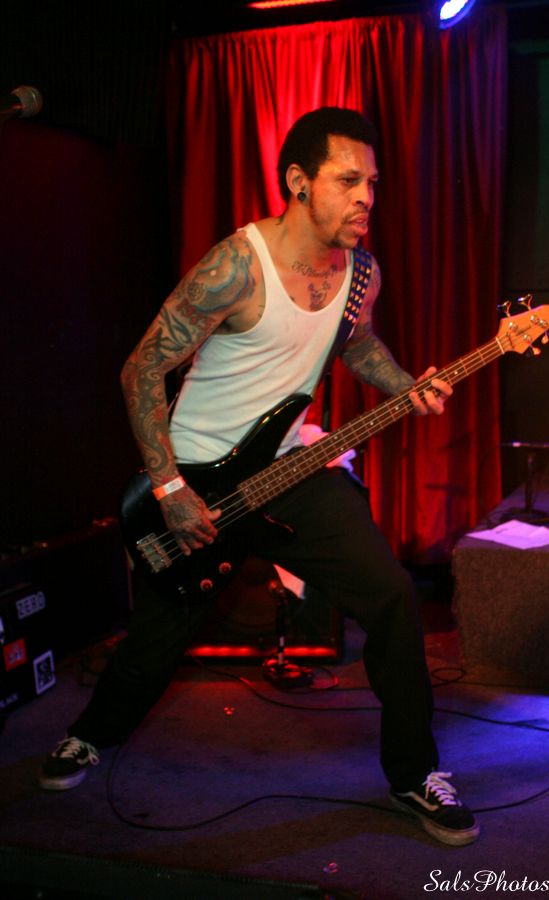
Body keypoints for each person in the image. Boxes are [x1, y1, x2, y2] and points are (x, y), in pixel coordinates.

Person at [39, 107, 479, 847]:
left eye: (372, 183)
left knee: (392, 596)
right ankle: (89, 734)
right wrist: (170, 489)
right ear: (298, 182)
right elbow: (142, 368)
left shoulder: (361, 271)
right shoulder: (236, 267)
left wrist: (407, 385)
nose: (366, 197)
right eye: (348, 181)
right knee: (159, 637)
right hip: (196, 482)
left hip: (289, 469)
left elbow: (356, 344)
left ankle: (414, 774)